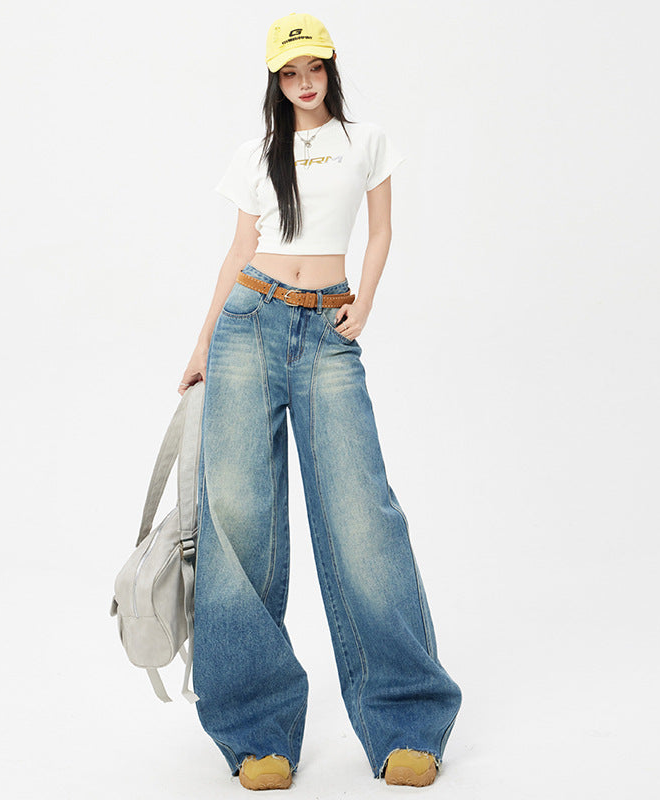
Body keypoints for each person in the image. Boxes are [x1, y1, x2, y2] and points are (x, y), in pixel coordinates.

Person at [177, 12, 463, 791]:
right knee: (239, 522)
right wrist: (202, 344)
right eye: (290, 73)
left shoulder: (365, 141)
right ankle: (255, 732)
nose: (304, 83)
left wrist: (363, 304)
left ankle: (406, 718)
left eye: (314, 69)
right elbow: (239, 250)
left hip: (328, 329)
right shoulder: (256, 153)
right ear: (275, 80)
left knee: (363, 515)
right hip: (248, 322)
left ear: (331, 69)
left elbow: (382, 231)